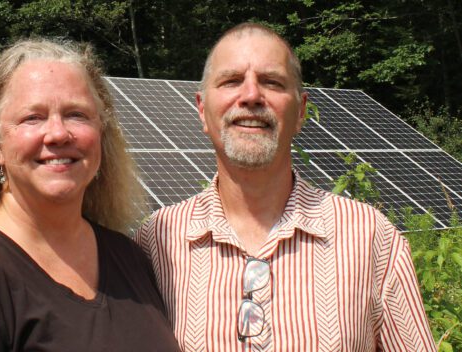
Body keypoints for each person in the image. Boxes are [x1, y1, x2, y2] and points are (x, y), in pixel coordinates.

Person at [135, 23, 436, 351]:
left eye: (272, 82)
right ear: (202, 109)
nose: (251, 96)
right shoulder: (154, 244)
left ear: (301, 111)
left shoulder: (372, 239)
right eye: (231, 80)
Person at [0, 39, 180, 351]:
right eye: (32, 117)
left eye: (76, 114)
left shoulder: (129, 258)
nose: (57, 133)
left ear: (102, 134)